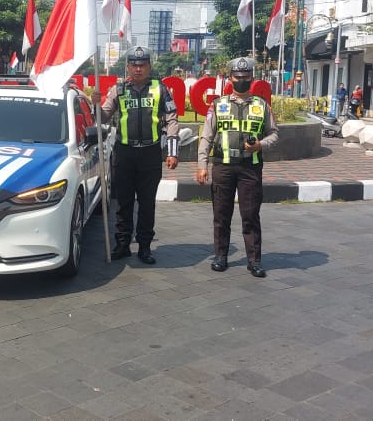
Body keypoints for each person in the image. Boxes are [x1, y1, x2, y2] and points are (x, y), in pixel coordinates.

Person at [93, 46, 180, 264]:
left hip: (150, 153)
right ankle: (122, 245)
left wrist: (172, 153)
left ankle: (144, 247)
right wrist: (95, 104)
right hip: (125, 153)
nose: (138, 69)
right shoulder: (118, 90)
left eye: (142, 65)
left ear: (149, 66)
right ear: (128, 67)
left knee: (147, 203)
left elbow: (172, 120)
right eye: (134, 65)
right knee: (123, 202)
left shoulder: (161, 89)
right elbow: (103, 117)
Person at [195, 57, 279, 278]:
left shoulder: (262, 106)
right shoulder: (217, 105)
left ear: (252, 78)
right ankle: (220, 256)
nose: (241, 80)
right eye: (237, 76)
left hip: (250, 168)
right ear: (230, 78)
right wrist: (202, 165)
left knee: (250, 215)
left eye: (246, 76)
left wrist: (260, 144)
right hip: (222, 167)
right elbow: (206, 137)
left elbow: (274, 134)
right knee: (221, 214)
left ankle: (254, 260)